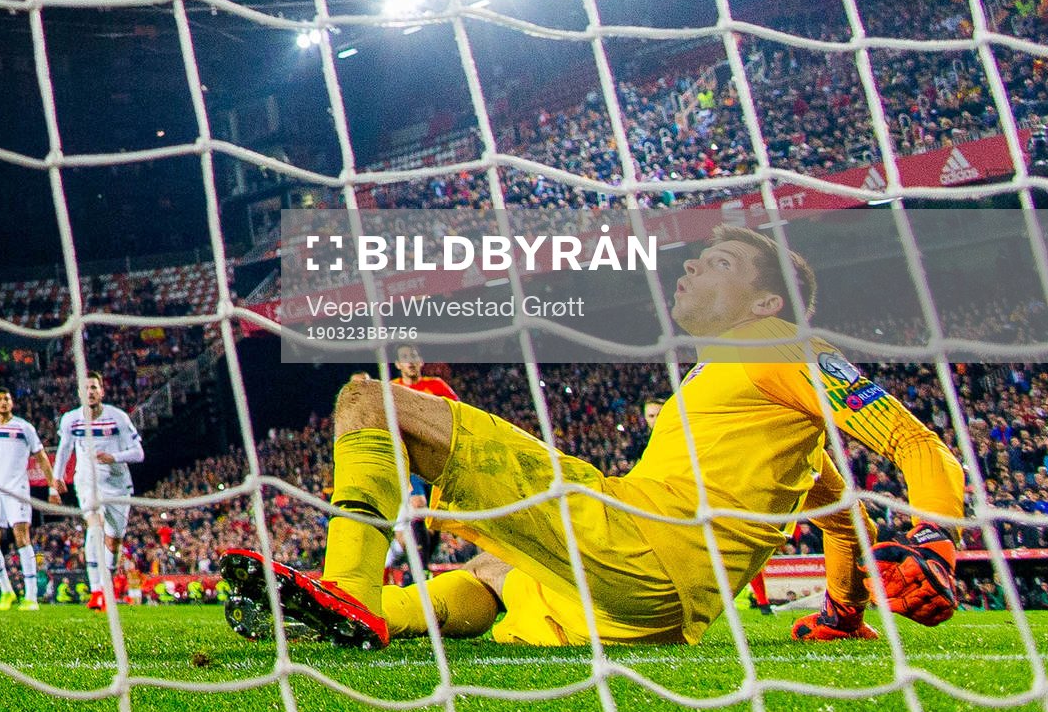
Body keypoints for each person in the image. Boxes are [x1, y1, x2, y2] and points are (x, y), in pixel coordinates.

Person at [220, 225, 967, 649]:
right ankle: (369, 622)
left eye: (724, 263)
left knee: (367, 399)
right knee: (491, 572)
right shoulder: (761, 410)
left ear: (768, 300)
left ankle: (347, 590)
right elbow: (841, 516)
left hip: (640, 541)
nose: (697, 263)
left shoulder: (774, 341)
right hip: (657, 617)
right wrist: (842, 614)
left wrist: (936, 543)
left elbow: (918, 444)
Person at [54, 371, 144, 612]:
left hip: (117, 485)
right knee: (94, 525)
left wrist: (113, 457)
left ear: (101, 391)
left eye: (94, 387)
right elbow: (64, 449)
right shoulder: (71, 419)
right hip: (86, 481)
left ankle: (107, 585)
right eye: (86, 388)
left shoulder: (118, 418)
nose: (90, 392)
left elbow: (138, 453)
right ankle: (96, 591)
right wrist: (57, 477)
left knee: (114, 542)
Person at [0, 387, 60, 611]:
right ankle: (7, 591)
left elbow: (42, 457)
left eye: (7, 399)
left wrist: (52, 487)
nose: (4, 402)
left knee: (22, 538)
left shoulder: (24, 427)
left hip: (17, 489)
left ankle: (30, 597)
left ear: (12, 403)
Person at [389, 349, 458, 577]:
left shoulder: (436, 386)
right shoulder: (393, 388)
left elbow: (458, 411)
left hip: (436, 456)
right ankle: (420, 570)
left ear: (421, 362)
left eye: (414, 357)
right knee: (417, 504)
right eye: (405, 358)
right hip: (410, 460)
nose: (410, 362)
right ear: (398, 364)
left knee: (434, 515)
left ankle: (422, 565)